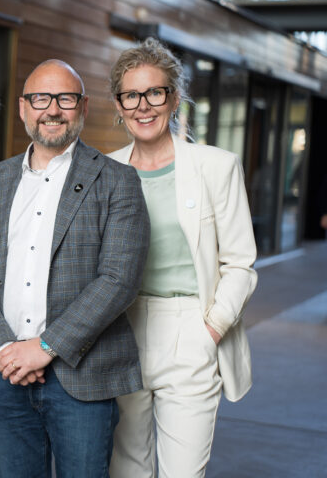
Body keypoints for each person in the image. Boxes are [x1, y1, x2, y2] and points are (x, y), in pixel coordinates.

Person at [0, 59, 150, 478]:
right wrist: (5, 348)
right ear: (23, 108)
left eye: (65, 98)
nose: (52, 109)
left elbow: (119, 279)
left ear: (83, 107)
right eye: (41, 98)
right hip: (6, 375)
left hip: (82, 377)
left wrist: (42, 348)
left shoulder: (117, 180)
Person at [107, 37, 258, 478]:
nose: (143, 106)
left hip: (190, 325)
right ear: (119, 104)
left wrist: (209, 330)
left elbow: (240, 264)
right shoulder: (106, 170)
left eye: (155, 92)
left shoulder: (216, 166)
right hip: (122, 329)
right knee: (126, 467)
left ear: (173, 98)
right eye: (131, 95)